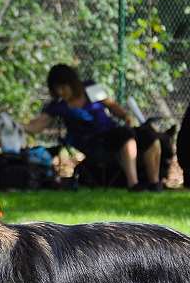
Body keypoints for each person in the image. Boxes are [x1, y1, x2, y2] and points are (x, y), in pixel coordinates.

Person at [25, 64, 163, 191]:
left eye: (63, 87)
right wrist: (20, 127)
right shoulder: (57, 105)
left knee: (149, 135)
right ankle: (133, 184)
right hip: (93, 143)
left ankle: (154, 183)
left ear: (72, 83)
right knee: (125, 135)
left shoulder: (90, 88)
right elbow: (38, 125)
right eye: (56, 89)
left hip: (112, 132)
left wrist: (126, 116)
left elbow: (111, 105)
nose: (60, 92)